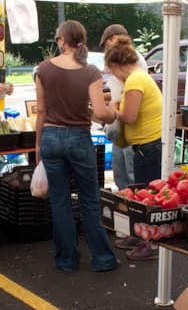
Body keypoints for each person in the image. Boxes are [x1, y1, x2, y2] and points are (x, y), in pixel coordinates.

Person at [35, 19, 119, 273]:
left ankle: (66, 260)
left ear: (61, 40)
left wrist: (38, 145)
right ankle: (102, 258)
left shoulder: (43, 69)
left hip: (50, 137)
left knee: (59, 201)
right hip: (79, 139)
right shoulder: (90, 72)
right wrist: (114, 113)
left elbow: (40, 111)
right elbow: (101, 113)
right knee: (89, 200)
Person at [104, 35, 163, 261]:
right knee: (141, 194)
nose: (113, 77)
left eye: (112, 71)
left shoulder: (135, 80)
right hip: (145, 145)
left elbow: (129, 116)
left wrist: (112, 109)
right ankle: (140, 235)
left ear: (118, 65)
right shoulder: (139, 78)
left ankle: (150, 243)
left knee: (148, 199)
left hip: (149, 146)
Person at [100, 24, 146, 192]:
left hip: (132, 130)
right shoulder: (126, 64)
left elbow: (128, 101)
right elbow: (118, 90)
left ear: (113, 39)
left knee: (131, 174)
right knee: (120, 172)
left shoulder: (134, 62)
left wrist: (112, 109)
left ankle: (130, 207)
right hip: (123, 130)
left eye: (106, 44)